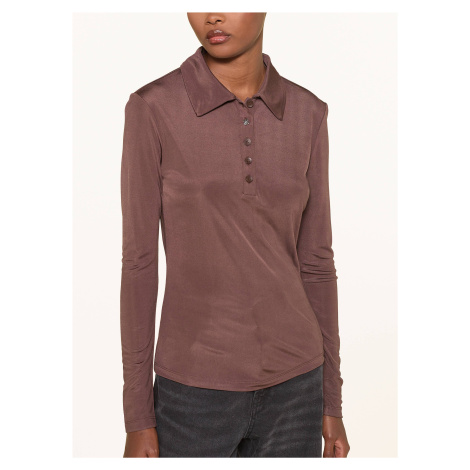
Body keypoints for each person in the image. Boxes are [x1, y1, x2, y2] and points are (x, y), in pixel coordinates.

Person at [120, 12, 350, 458]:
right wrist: (138, 415)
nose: (212, 15)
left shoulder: (308, 112)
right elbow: (139, 265)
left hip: (297, 390)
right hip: (192, 392)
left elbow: (317, 263)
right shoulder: (153, 107)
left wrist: (331, 400)